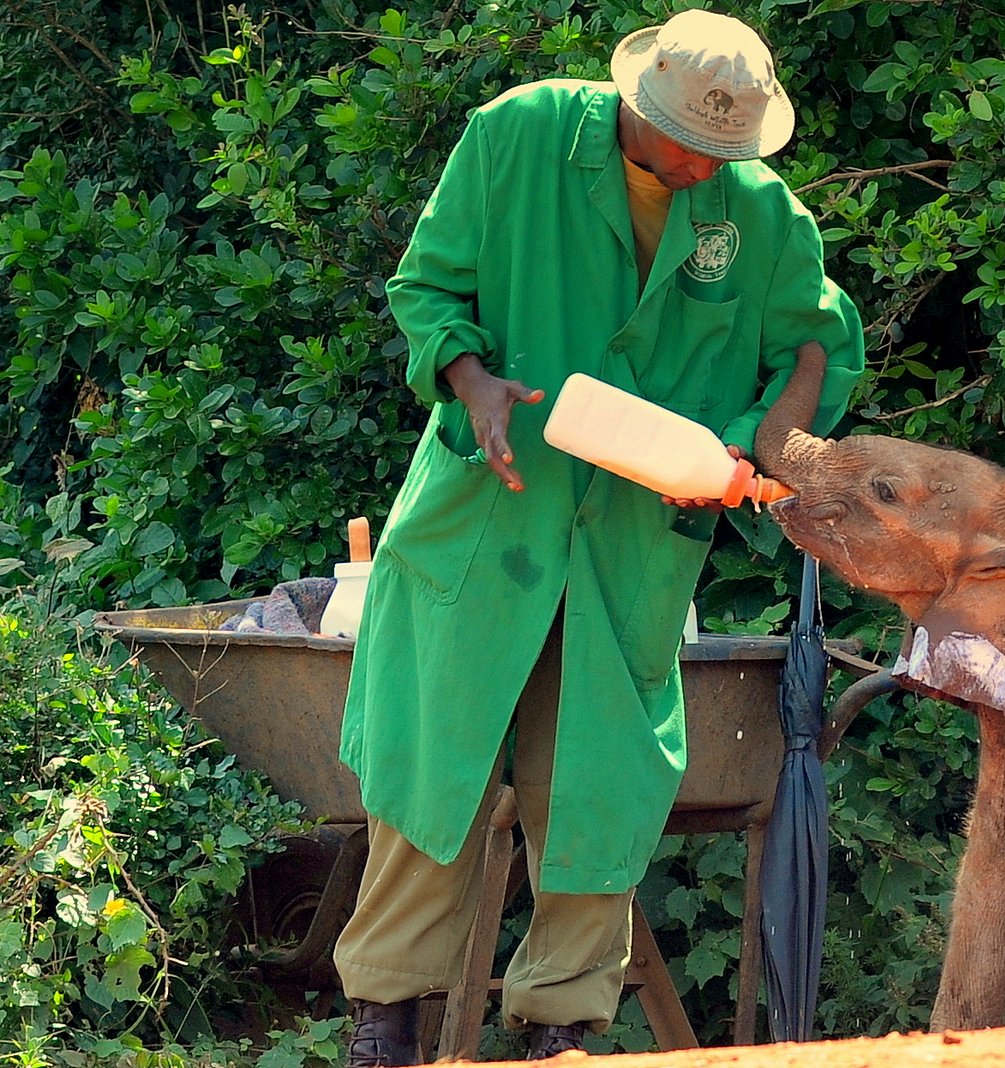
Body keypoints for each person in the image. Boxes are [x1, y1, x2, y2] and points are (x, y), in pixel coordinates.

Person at [330, 9, 865, 1065]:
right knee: (435, 766)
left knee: (599, 784)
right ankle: (382, 1020)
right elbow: (426, 286)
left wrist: (760, 445)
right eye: (692, 148)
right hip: (491, 518)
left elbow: (812, 339)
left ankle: (559, 1031)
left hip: (631, 542)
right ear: (637, 104)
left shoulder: (756, 213)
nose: (708, 170)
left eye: (730, 152)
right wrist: (473, 383)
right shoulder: (516, 136)